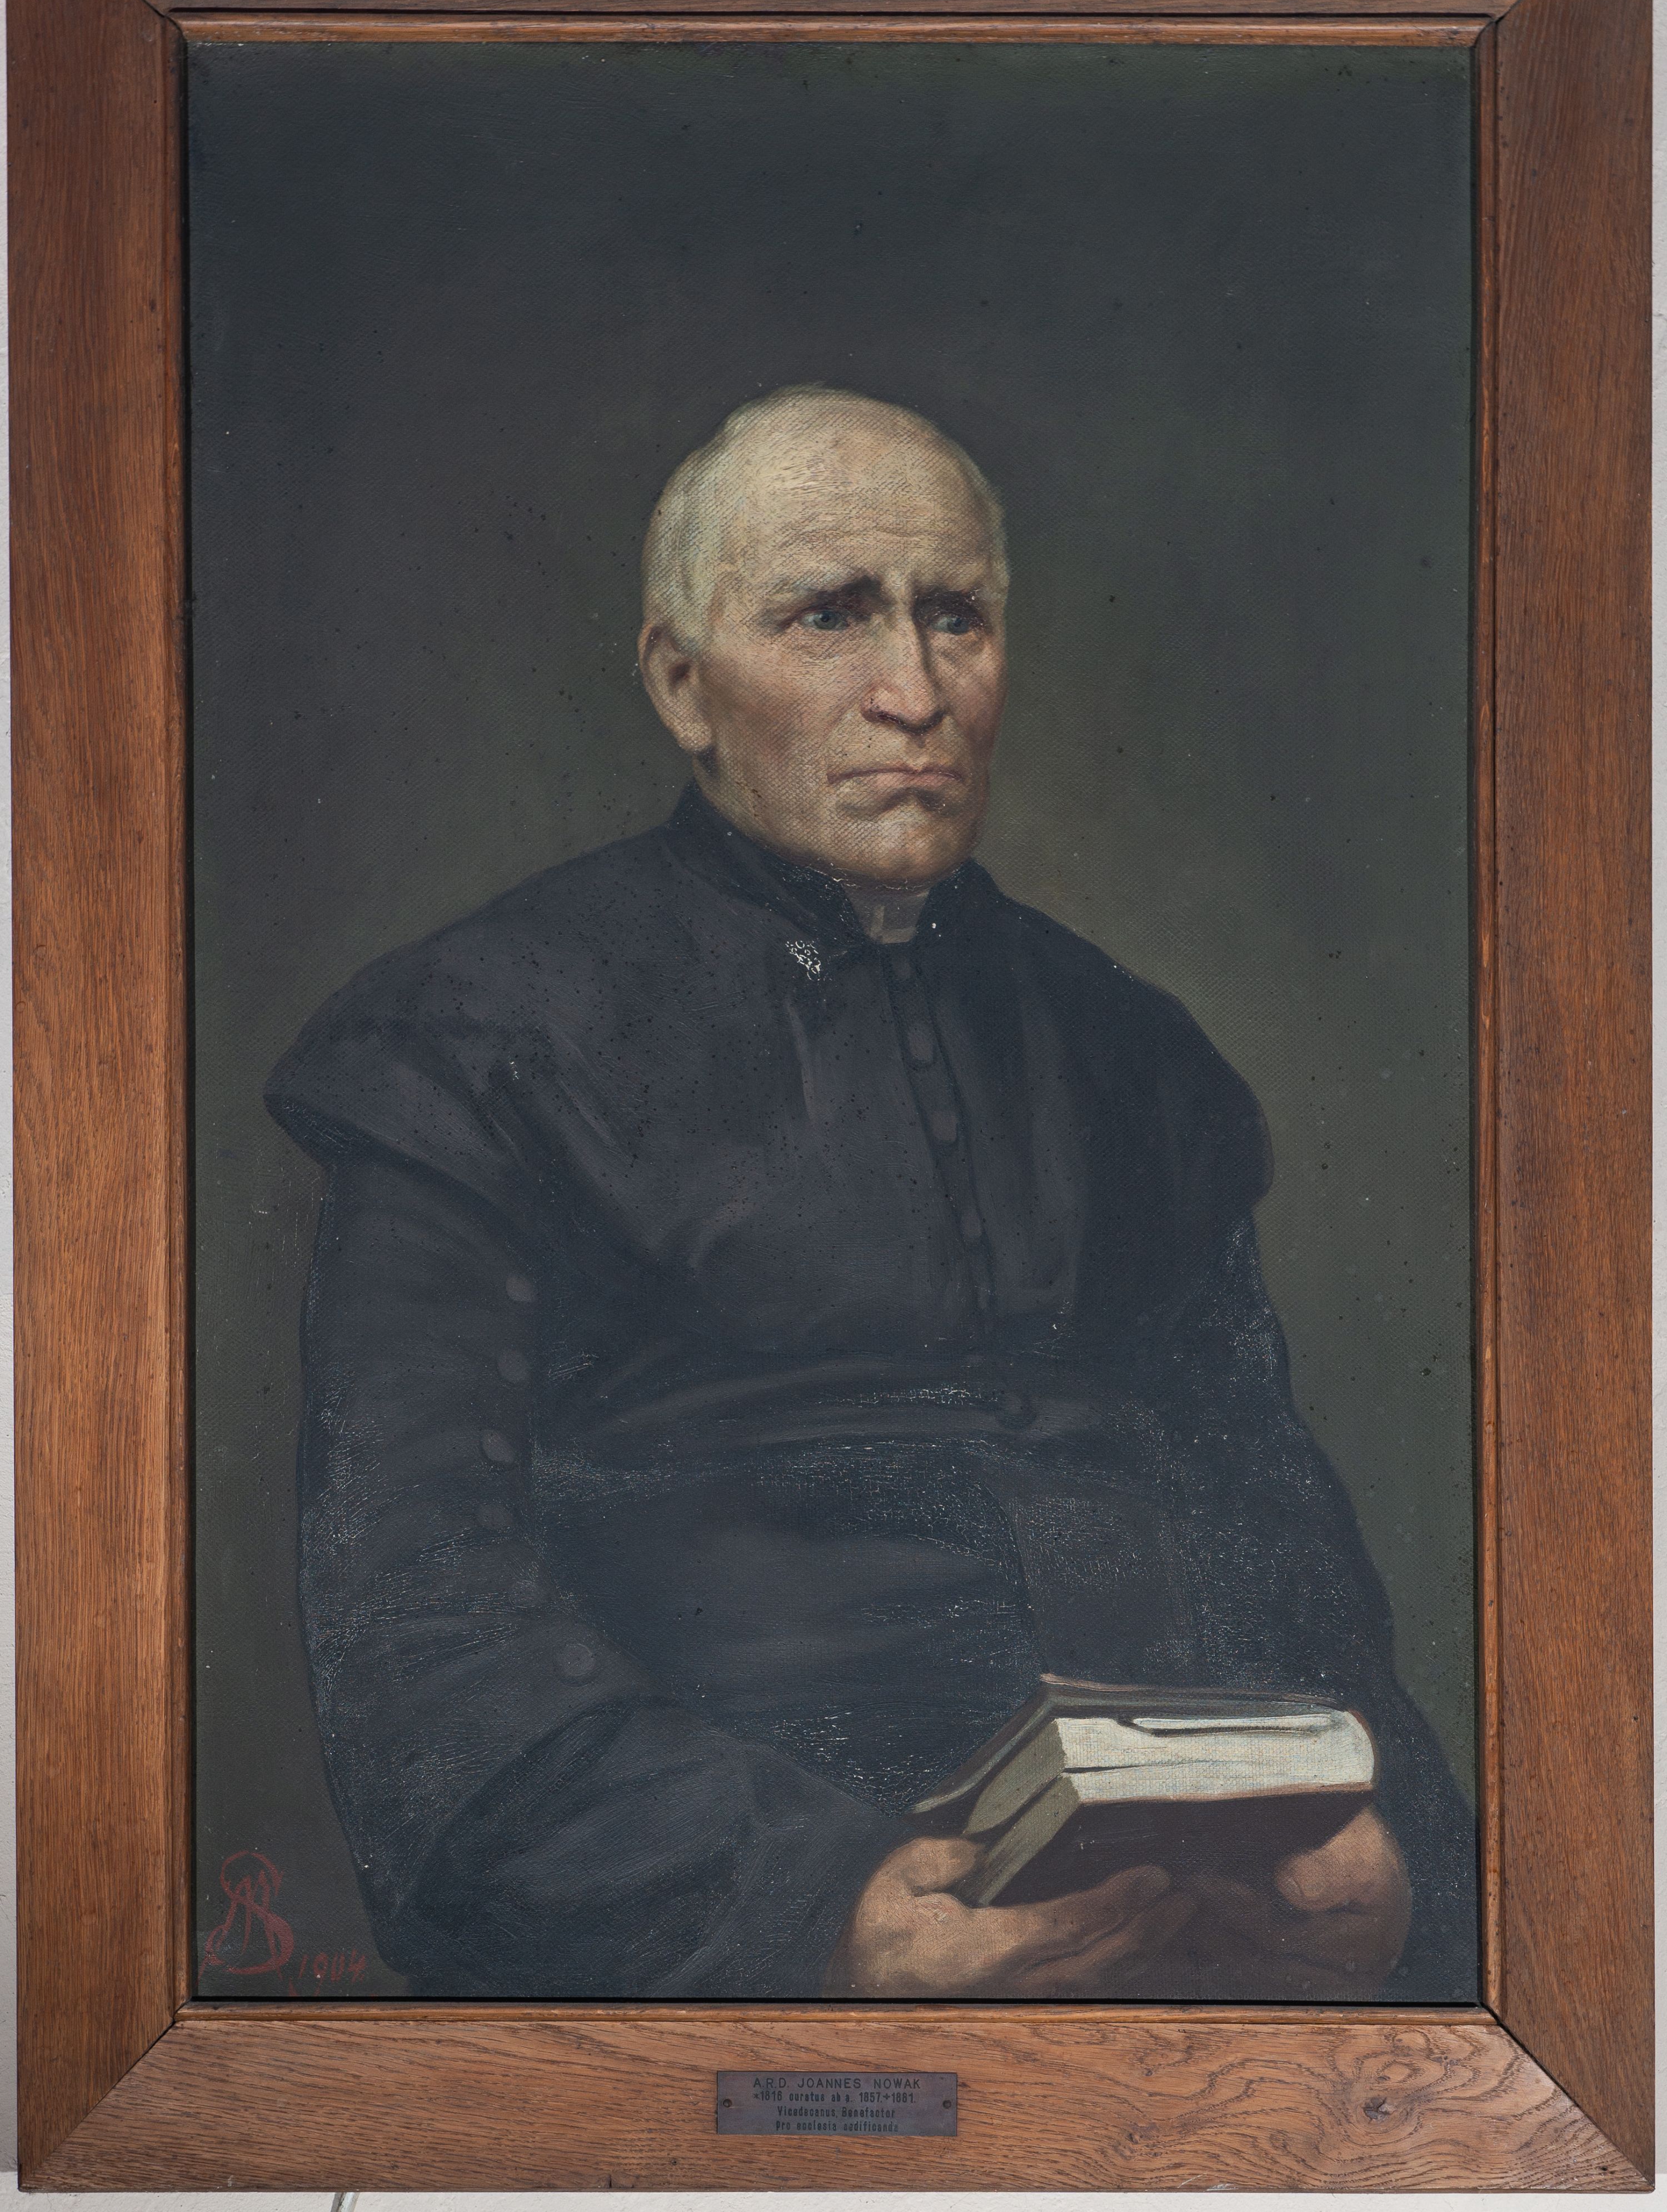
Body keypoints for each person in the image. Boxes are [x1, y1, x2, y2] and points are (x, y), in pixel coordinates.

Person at [267, 386, 1475, 2002]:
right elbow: (423, 1624)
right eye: (830, 615)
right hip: (748, 1946)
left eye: (954, 615)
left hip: (1194, 1945)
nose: (914, 692)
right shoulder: (474, 1041)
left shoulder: (1133, 1054)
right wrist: (816, 1909)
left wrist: (1378, 1852)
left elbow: (1288, 1556)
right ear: (682, 685)